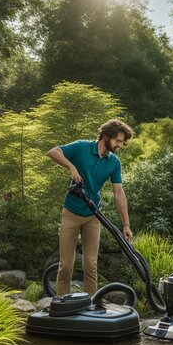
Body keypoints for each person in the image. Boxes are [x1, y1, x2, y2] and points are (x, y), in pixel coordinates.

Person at [47, 119, 134, 296]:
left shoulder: (114, 162)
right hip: (71, 213)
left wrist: (126, 224)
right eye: (118, 141)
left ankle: (90, 308)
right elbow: (53, 152)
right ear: (106, 136)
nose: (120, 145)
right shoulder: (81, 147)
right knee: (66, 266)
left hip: (93, 215)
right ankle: (62, 305)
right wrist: (71, 166)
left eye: (122, 142)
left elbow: (119, 193)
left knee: (91, 265)